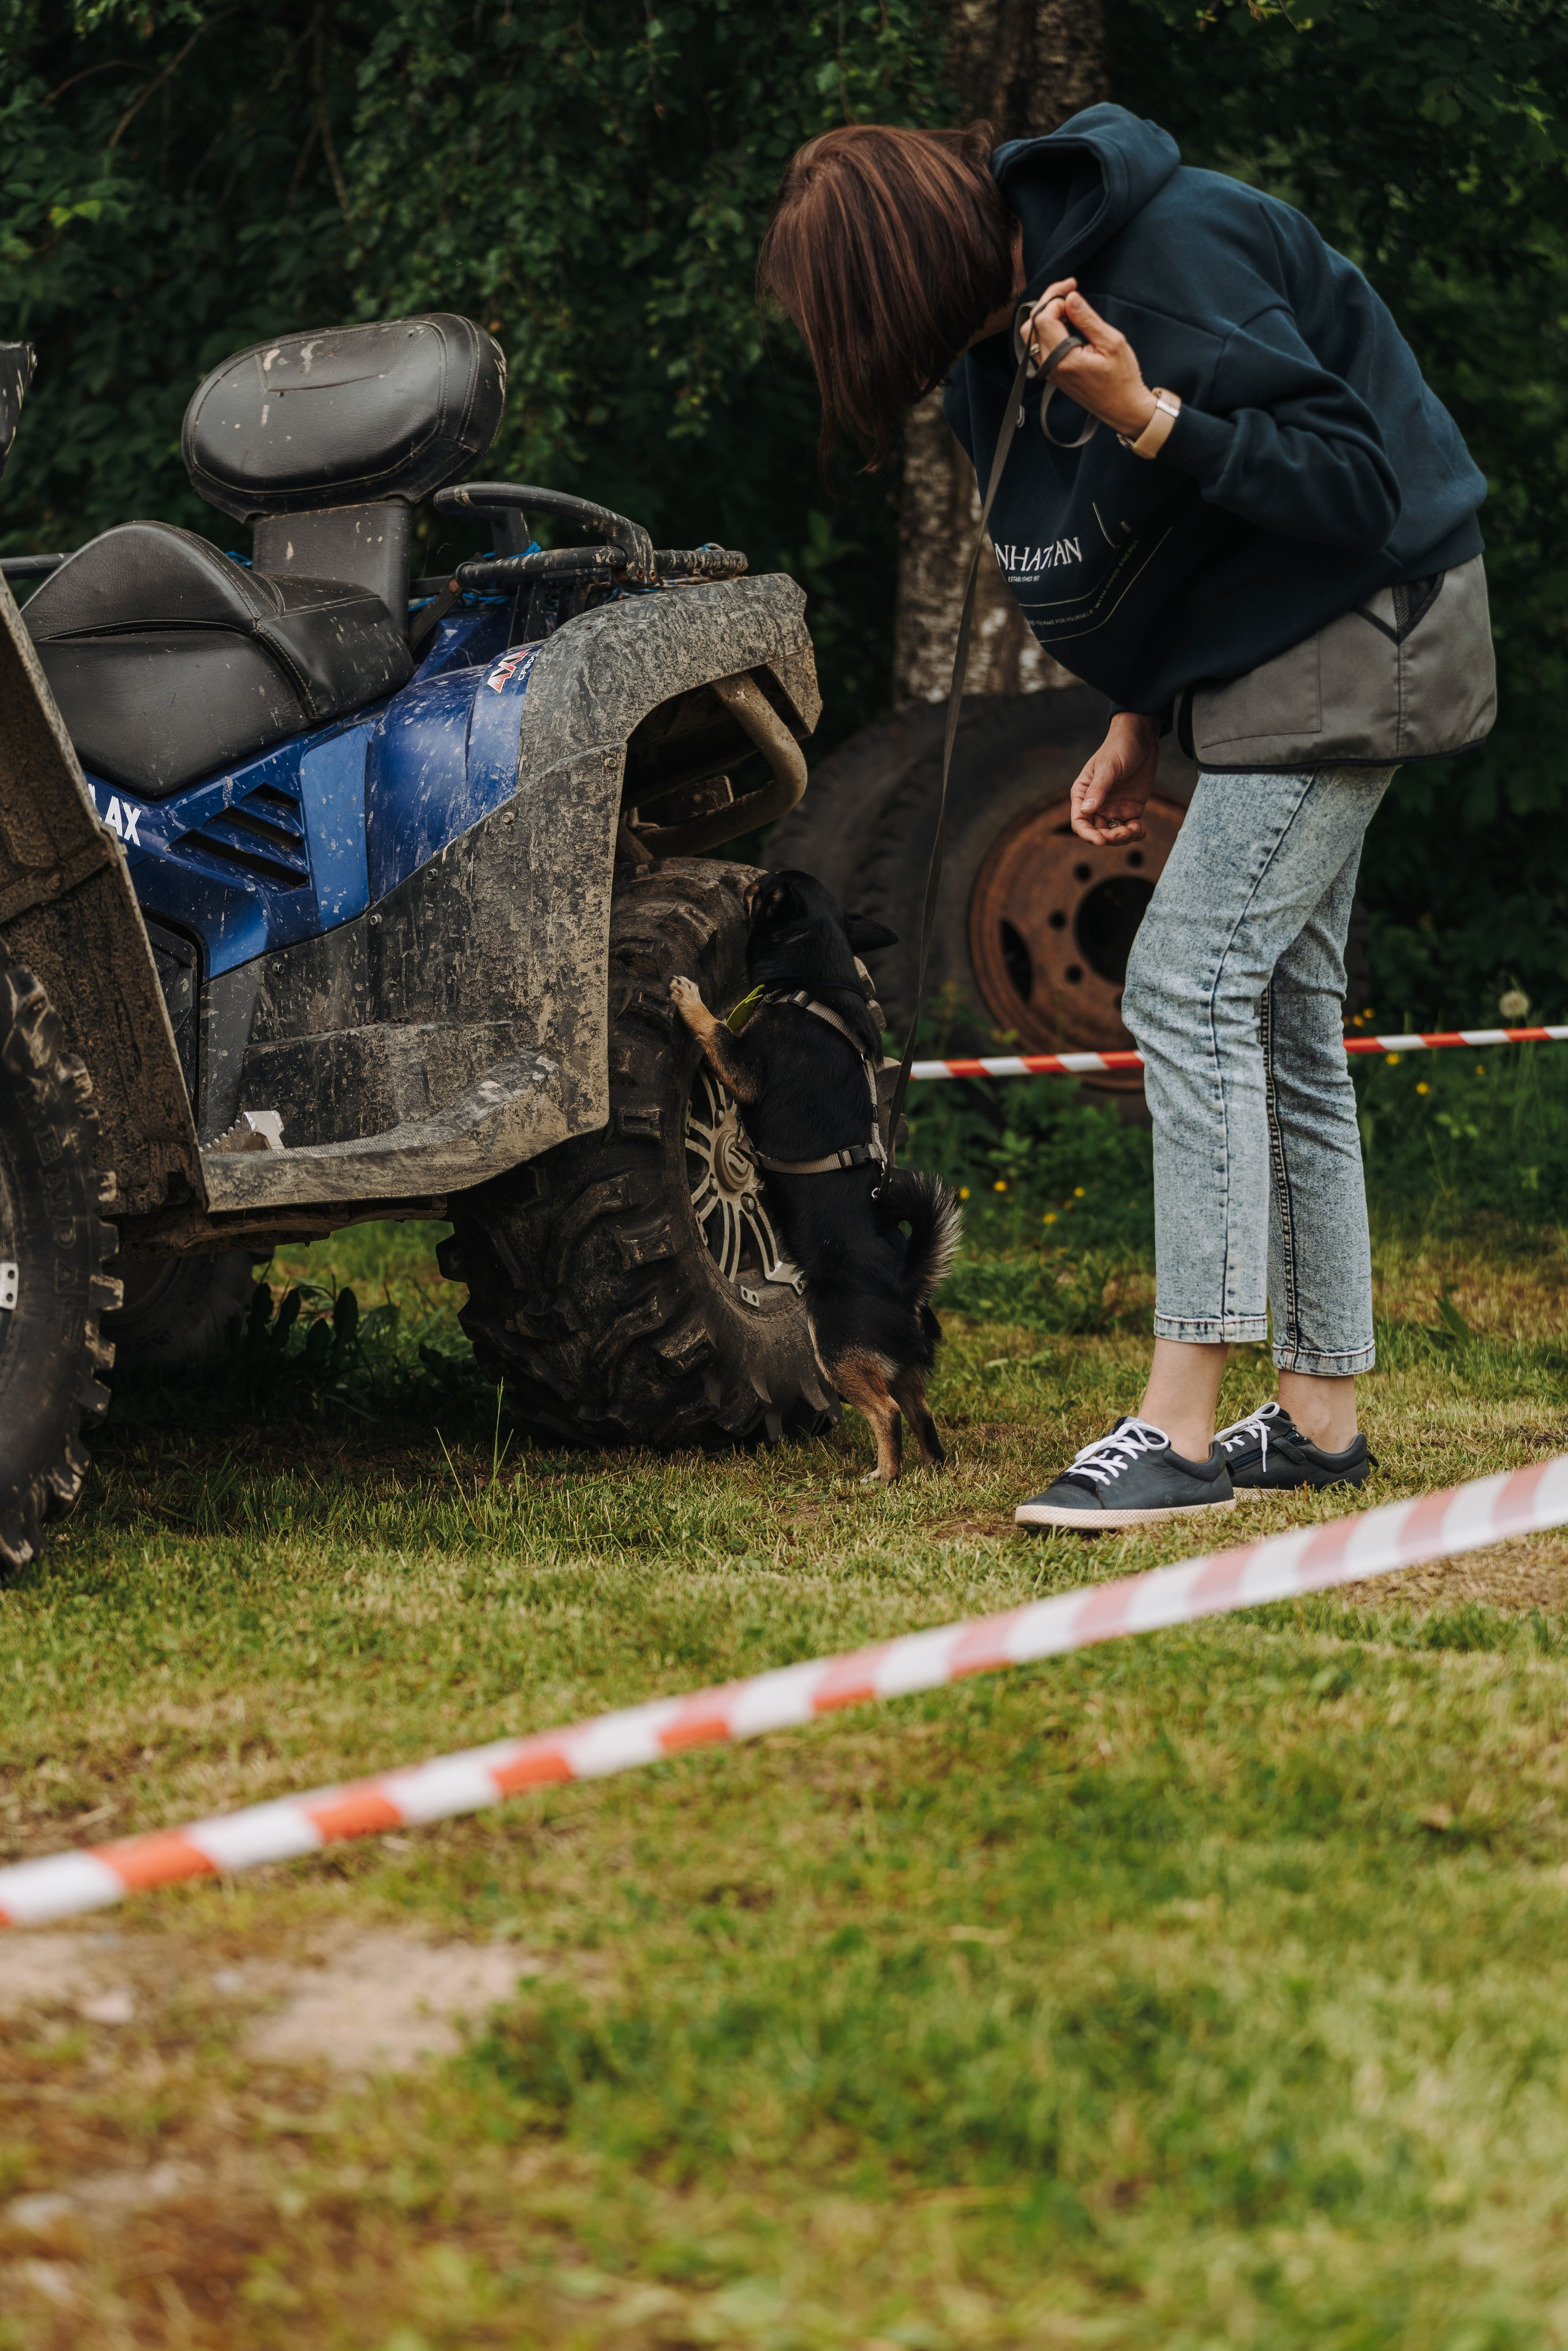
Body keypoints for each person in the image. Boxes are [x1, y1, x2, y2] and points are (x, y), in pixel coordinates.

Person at [758, 104, 1494, 1529]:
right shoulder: (995, 345)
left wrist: (1143, 413)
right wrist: (1134, 714)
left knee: (1185, 981)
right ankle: (1323, 1421)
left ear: (910, 272)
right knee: (1280, 1010)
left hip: (1366, 621)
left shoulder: (1171, 251)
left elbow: (1354, 484)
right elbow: (1164, 540)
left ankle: (1177, 1429)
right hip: (1252, 653)